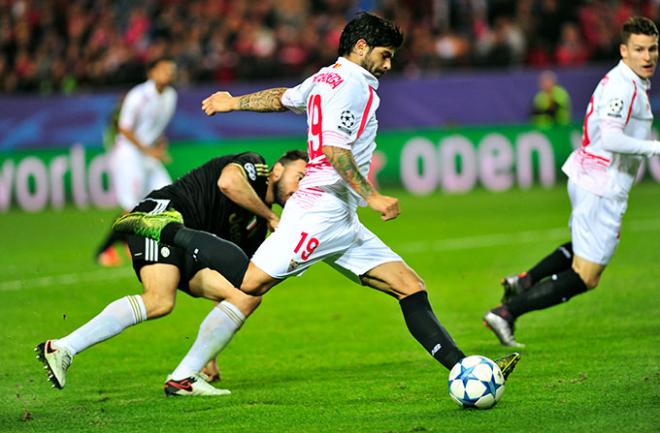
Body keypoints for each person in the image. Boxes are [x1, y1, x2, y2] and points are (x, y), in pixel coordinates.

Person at [114, 12, 520, 394]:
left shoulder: (326, 78)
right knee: (249, 284)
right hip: (319, 210)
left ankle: (462, 368)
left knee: (409, 286)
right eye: (385, 56)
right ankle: (169, 230)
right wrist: (373, 195)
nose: (388, 65)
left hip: (341, 216)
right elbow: (334, 150)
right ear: (361, 47)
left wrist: (232, 101)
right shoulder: (353, 85)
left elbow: (282, 98)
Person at [36, 150, 308, 396]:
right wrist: (272, 217)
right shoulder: (255, 167)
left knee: (246, 294)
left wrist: (209, 356)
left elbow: (228, 277)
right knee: (159, 300)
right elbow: (228, 183)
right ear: (277, 171)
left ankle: (184, 376)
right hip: (161, 218)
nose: (300, 188)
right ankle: (63, 347)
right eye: (299, 176)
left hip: (188, 242)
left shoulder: (255, 228)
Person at [484, 16, 660, 348]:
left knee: (582, 250)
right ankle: (506, 313)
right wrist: (656, 147)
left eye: (652, 49)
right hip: (602, 185)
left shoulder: (626, 81)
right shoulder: (624, 86)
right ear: (624, 50)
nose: (647, 56)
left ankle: (524, 281)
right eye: (639, 49)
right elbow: (610, 137)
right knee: (586, 275)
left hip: (591, 177)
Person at [95, 57, 178, 267]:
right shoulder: (138, 95)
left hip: (148, 154)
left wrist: (159, 145)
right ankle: (104, 250)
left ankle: (141, 245)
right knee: (131, 208)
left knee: (167, 198)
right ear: (151, 72)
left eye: (171, 71)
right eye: (163, 70)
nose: (168, 74)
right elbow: (124, 127)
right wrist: (149, 149)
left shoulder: (170, 96)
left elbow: (156, 127)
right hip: (129, 154)